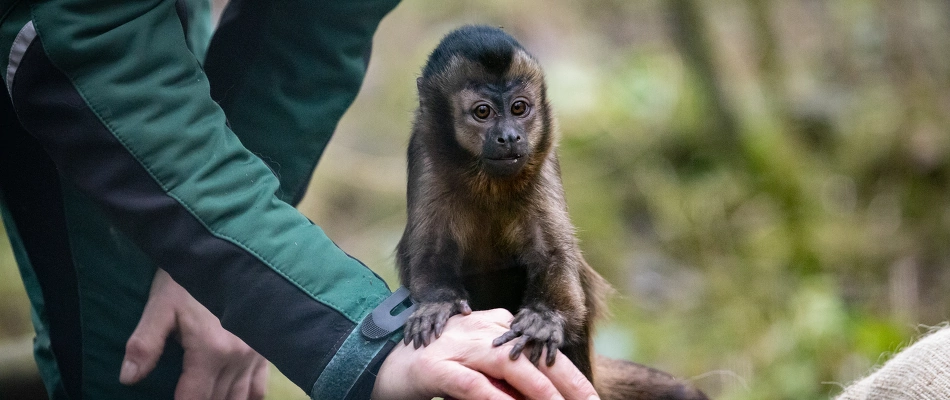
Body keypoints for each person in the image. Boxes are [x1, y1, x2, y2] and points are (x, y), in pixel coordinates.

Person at [0, 0, 600, 399]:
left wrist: (232, 268)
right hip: (68, 38)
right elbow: (88, 44)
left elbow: (316, 25)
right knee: (135, 346)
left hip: (139, 26)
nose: (508, 133)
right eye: (485, 114)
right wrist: (351, 335)